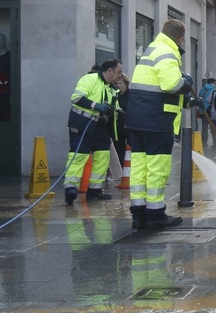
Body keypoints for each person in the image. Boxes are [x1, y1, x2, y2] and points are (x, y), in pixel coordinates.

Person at [127, 20, 198, 229]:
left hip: (138, 119)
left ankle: (139, 213)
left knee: (139, 168)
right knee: (157, 169)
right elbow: (171, 85)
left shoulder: (152, 49)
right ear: (180, 38)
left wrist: (188, 101)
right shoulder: (168, 51)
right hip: (157, 121)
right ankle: (156, 213)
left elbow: (156, 87)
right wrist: (187, 82)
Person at [64, 59, 124, 204]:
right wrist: (96, 106)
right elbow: (77, 98)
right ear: (110, 70)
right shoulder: (89, 79)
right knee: (78, 156)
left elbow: (113, 109)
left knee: (103, 157)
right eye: (118, 72)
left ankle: (95, 189)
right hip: (82, 125)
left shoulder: (110, 88)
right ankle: (71, 188)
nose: (120, 75)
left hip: (100, 128)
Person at [198, 76, 216, 154]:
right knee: (213, 127)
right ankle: (215, 143)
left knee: (204, 127)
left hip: (203, 110)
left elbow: (199, 97)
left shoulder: (202, 89)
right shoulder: (214, 90)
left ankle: (204, 142)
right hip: (211, 110)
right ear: (212, 82)